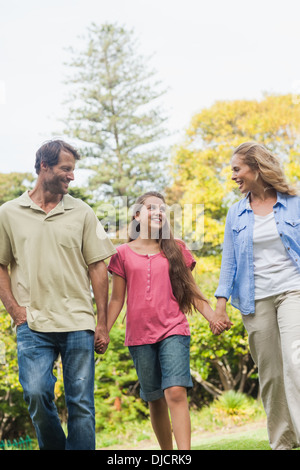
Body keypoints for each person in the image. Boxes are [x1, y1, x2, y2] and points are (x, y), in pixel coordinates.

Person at [0, 140, 116, 450]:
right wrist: (14, 310)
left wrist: (101, 322)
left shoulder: (81, 212)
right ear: (43, 167)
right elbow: (0, 265)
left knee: (81, 405)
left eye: (73, 170)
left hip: (78, 320)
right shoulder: (9, 213)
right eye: (66, 169)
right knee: (37, 395)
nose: (72, 176)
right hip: (33, 323)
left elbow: (98, 267)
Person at [104, 191, 226, 450]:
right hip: (138, 335)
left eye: (163, 209)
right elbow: (116, 299)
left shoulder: (177, 249)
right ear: (137, 215)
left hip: (173, 329)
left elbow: (191, 291)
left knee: (175, 391)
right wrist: (102, 329)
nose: (159, 212)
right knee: (155, 398)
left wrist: (213, 317)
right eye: (152, 208)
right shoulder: (122, 254)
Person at [214, 142, 300, 450]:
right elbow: (229, 262)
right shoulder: (236, 213)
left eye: (237, 169)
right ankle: (282, 443)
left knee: (295, 362)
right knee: (272, 374)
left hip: (294, 290)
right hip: (254, 299)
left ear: (257, 167)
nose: (233, 175)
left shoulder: (293, 202)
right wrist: (220, 306)